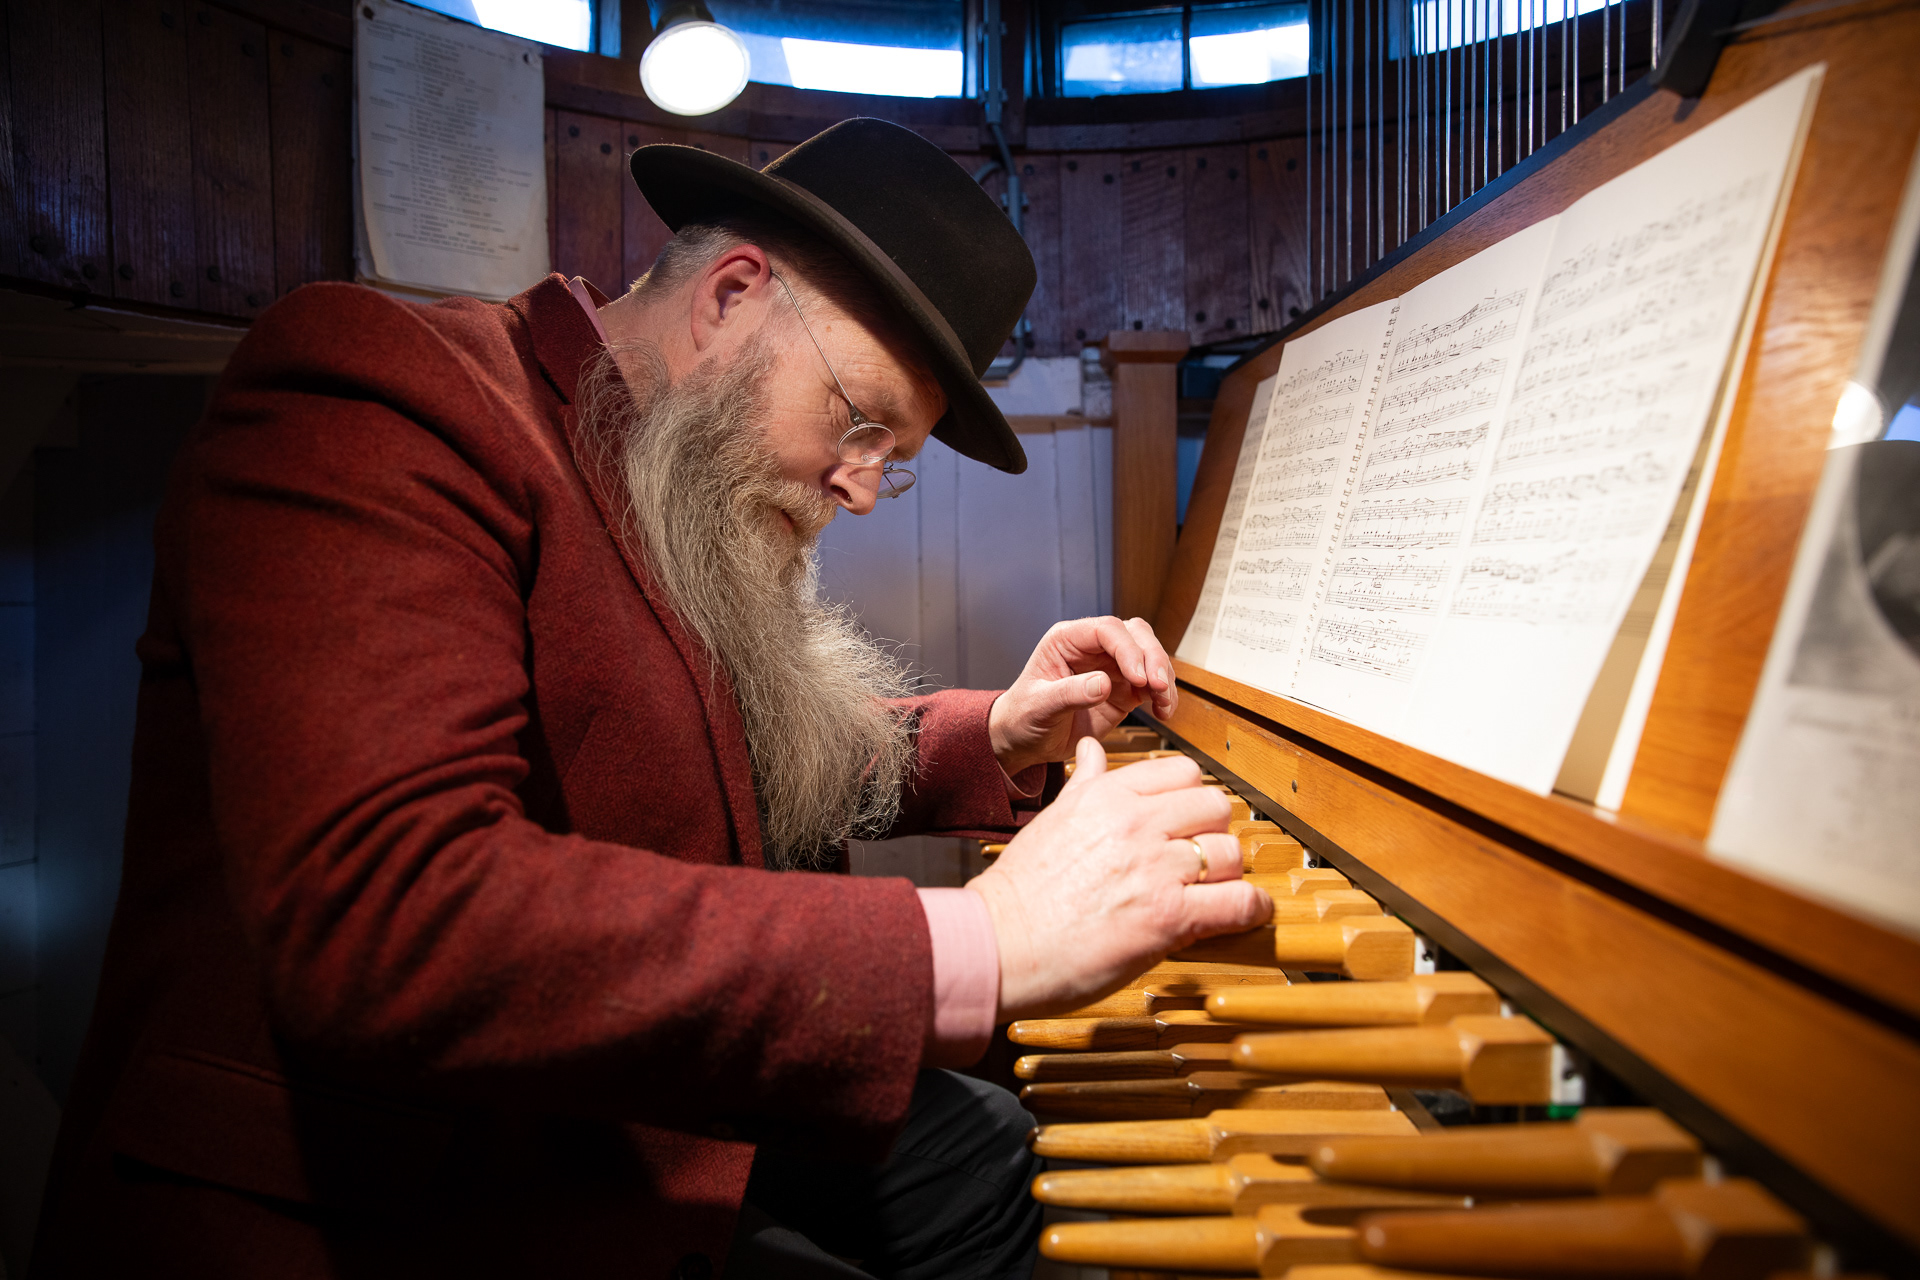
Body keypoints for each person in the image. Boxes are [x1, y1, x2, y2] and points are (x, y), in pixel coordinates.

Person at [33, 118, 1270, 1279]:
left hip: (602, 1096)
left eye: (889, 462)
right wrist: (982, 942)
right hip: (396, 1192)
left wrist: (992, 733)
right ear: (732, 297)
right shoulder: (381, 392)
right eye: (862, 427)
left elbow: (713, 754)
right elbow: (389, 906)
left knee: (994, 1152)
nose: (857, 487)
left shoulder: (665, 462)